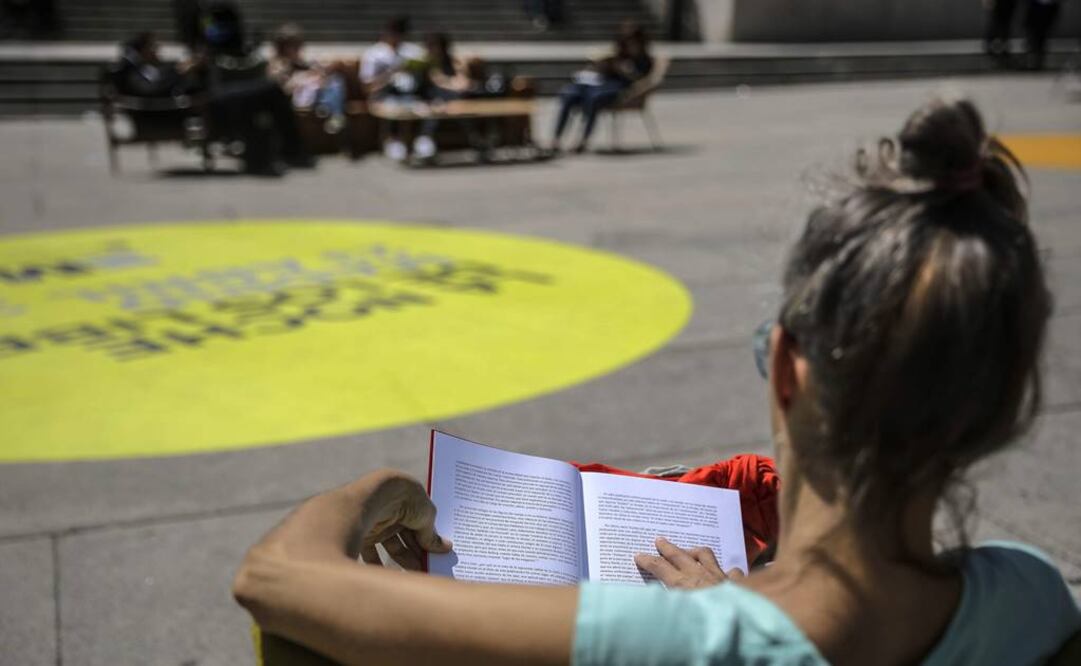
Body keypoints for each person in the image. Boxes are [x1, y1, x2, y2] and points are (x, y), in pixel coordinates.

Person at [232, 97, 1081, 664]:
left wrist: (381, 487)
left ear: (789, 372)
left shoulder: (671, 641)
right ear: (998, 405)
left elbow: (272, 579)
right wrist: (739, 603)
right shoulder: (1029, 596)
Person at [550, 21, 654, 154]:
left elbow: (643, 82)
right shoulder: (619, 53)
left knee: (594, 98)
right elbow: (605, 71)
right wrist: (601, 66)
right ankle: (556, 140)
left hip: (618, 88)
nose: (629, 44)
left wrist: (628, 73)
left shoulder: (645, 59)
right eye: (626, 40)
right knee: (570, 95)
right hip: (600, 83)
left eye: (632, 40)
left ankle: (583, 141)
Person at [360, 16, 429, 161]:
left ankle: (422, 140)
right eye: (394, 33)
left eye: (400, 34)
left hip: (411, 94)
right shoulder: (374, 54)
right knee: (395, 109)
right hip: (384, 95)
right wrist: (391, 74)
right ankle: (393, 141)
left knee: (425, 109)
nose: (397, 38)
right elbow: (367, 86)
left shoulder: (412, 51)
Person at [268, 23, 348, 134]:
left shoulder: (298, 62)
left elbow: (316, 71)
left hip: (310, 97)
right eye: (294, 46)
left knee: (335, 81)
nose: (298, 50)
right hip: (290, 103)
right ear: (283, 47)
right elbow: (281, 90)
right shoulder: (277, 66)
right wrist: (300, 80)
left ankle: (329, 110)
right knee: (329, 84)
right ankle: (330, 110)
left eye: (299, 46)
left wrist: (320, 73)